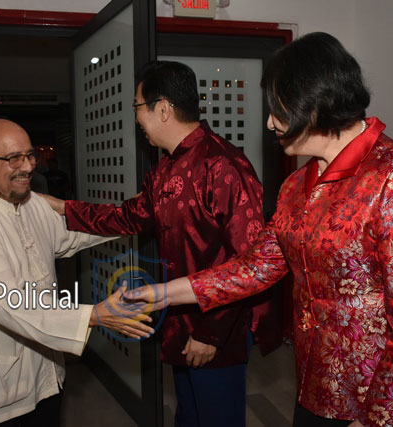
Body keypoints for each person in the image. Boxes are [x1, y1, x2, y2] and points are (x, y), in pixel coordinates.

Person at [125, 33, 393, 426]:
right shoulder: (295, 186)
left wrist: (378, 419)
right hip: (320, 391)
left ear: (314, 103)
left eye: (278, 109)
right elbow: (254, 267)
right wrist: (162, 294)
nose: (270, 122)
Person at [46, 60, 275, 426]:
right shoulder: (165, 169)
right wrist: (62, 207)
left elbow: (248, 261)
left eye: (137, 106)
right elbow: (127, 217)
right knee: (189, 416)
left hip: (217, 325)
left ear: (163, 109)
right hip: (179, 318)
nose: (136, 117)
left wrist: (210, 334)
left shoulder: (223, 166)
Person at [0, 118, 153, 427]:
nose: (27, 167)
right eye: (14, 158)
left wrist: (130, 217)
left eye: (30, 155)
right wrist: (92, 316)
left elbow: (72, 234)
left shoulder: (30, 202)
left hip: (46, 373)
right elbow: (6, 301)